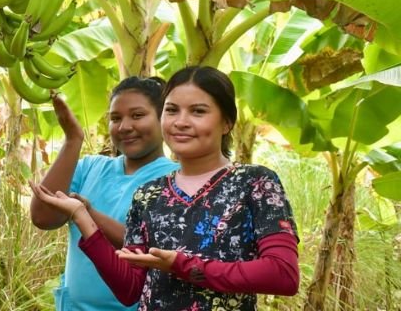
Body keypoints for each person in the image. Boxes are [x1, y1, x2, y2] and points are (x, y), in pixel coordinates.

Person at [31, 66, 300, 310]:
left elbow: (283, 275)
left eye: (198, 111)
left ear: (227, 122)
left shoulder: (255, 182)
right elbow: (129, 291)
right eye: (172, 110)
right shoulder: (149, 194)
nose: (181, 121)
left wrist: (181, 266)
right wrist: (82, 216)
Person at [29, 77, 178, 310]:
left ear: (163, 119)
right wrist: (72, 140)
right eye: (115, 118)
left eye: (137, 115)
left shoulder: (177, 179)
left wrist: (87, 214)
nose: (124, 126)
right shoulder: (89, 168)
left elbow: (156, 247)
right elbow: (43, 218)